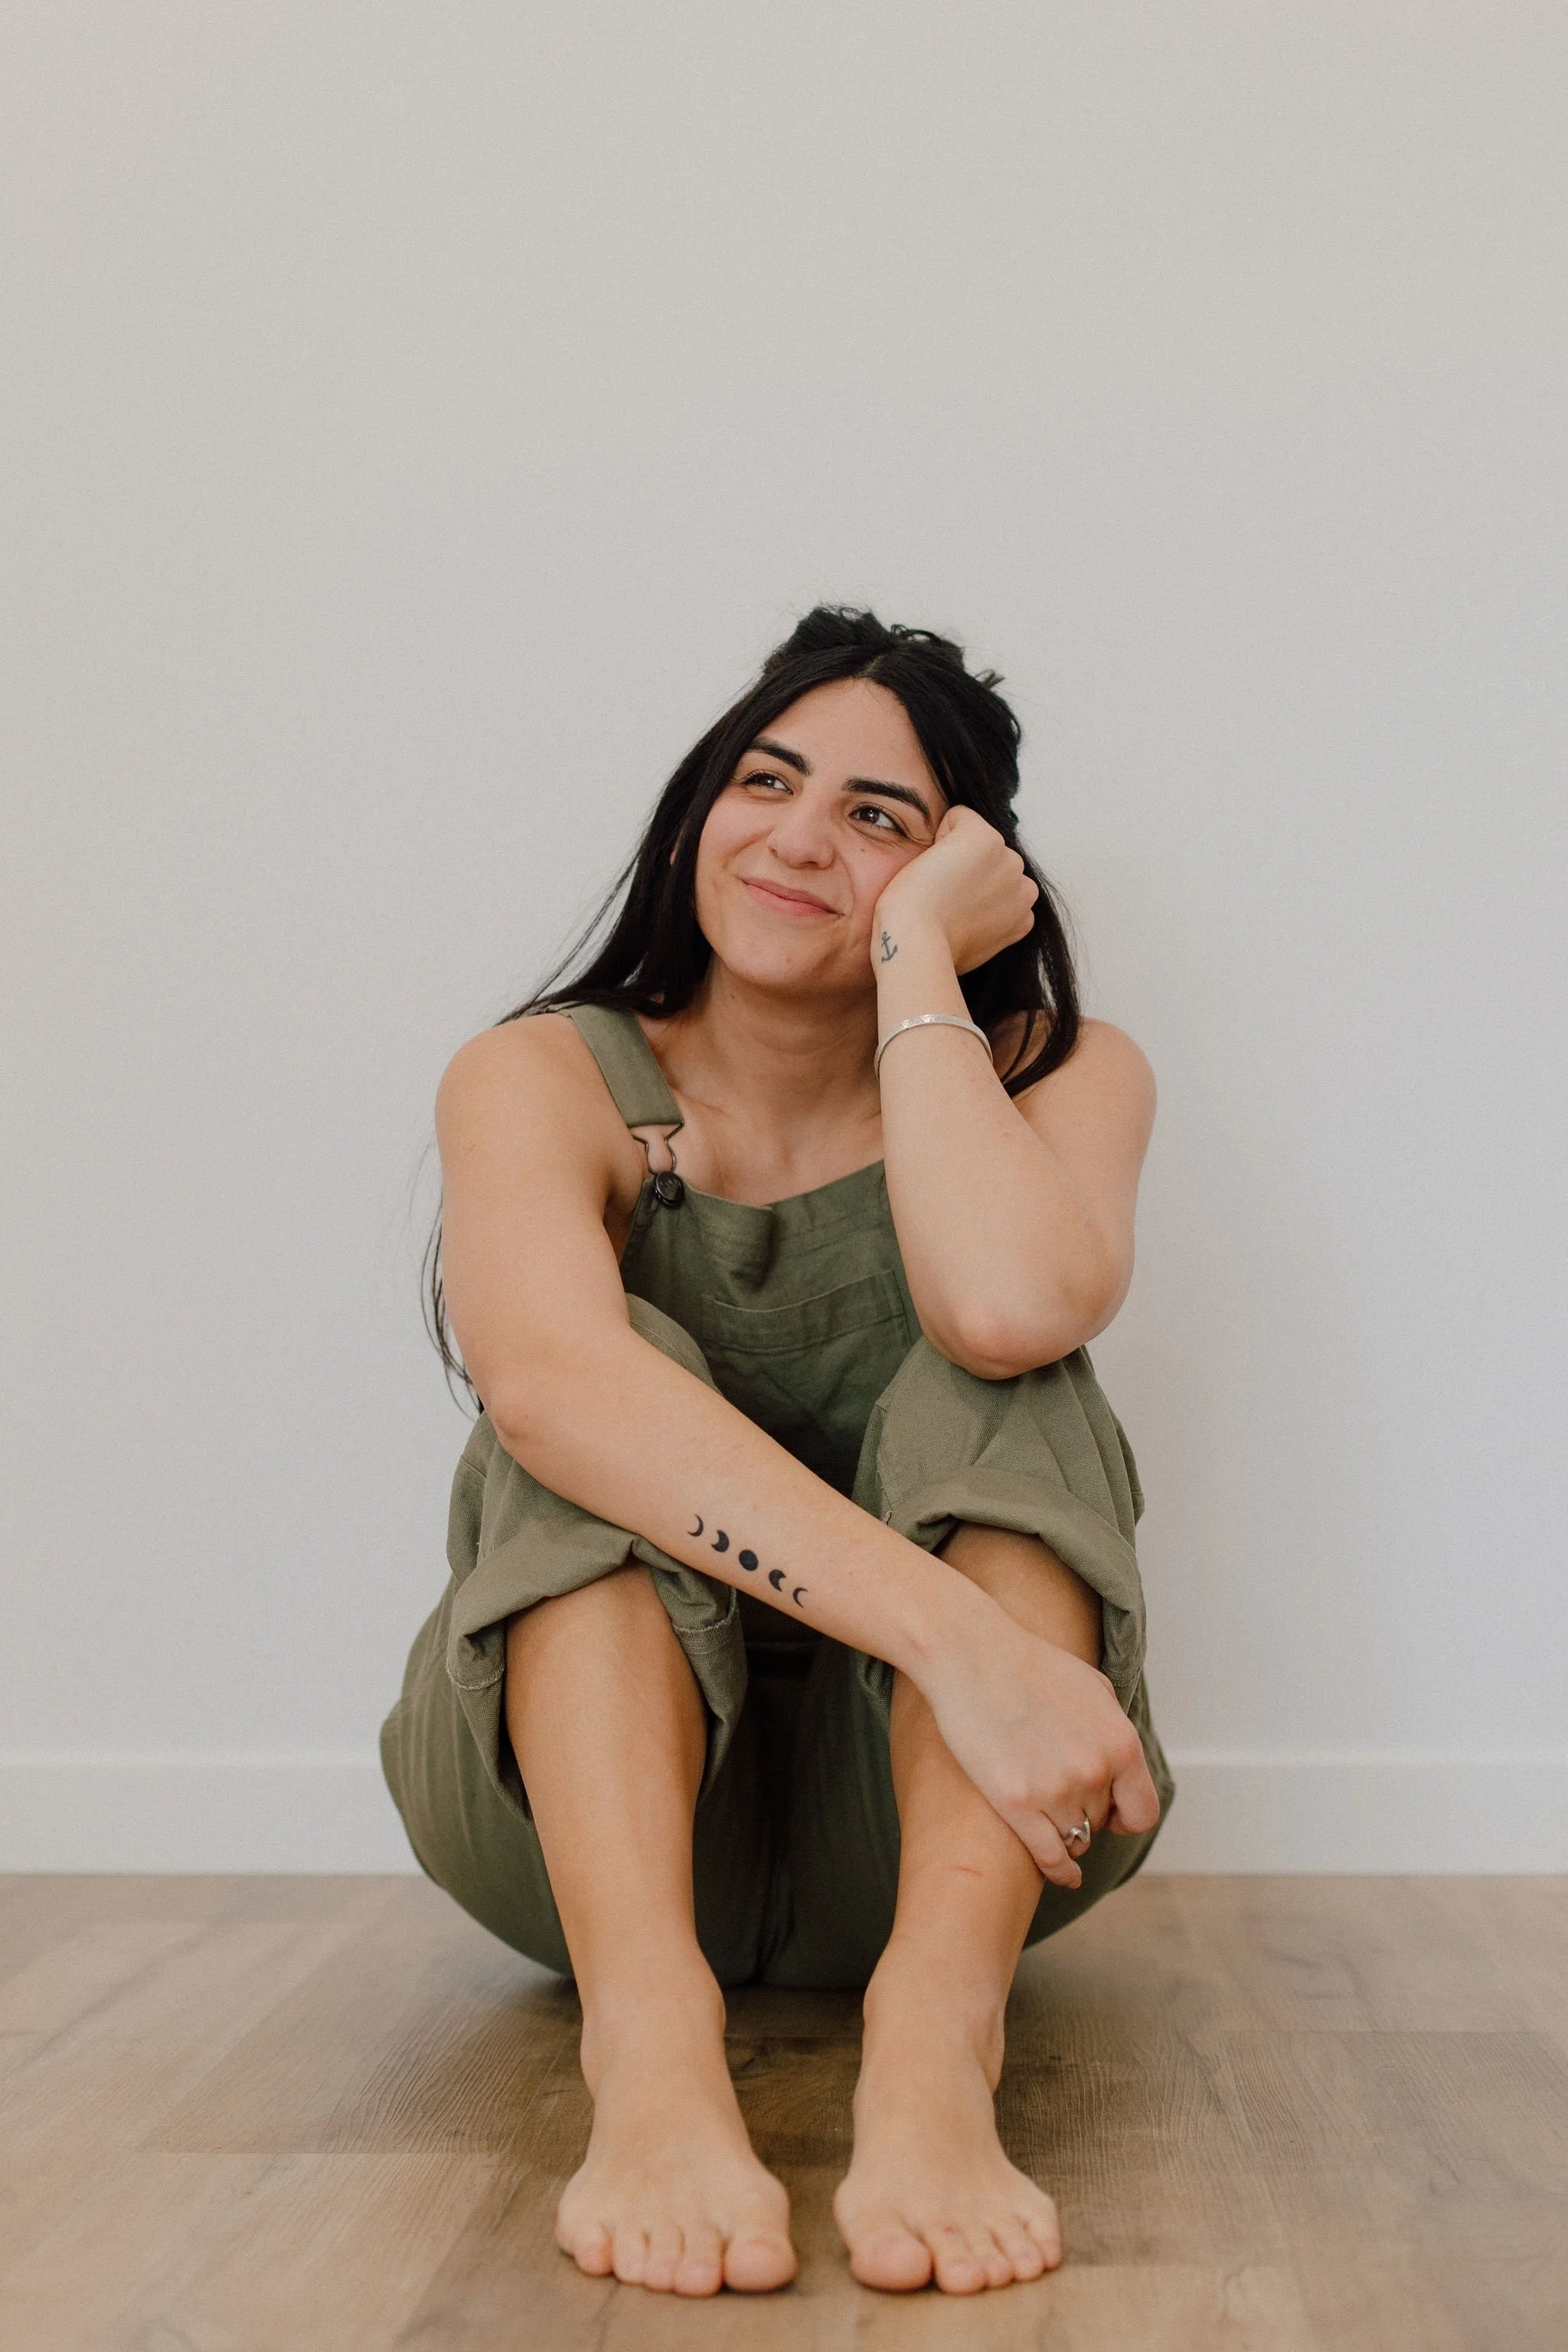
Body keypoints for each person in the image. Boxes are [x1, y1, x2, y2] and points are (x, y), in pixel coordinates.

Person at [382, 606, 1173, 2300]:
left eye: (880, 819)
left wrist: (912, 978)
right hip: (580, 1839)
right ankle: (650, 2054)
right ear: (698, 810)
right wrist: (966, 1646)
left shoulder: (1067, 1075)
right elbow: (540, 1386)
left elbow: (1010, 1303)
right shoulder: (539, 1075)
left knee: (1008, 1379)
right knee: (605, 1399)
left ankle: (932, 2045)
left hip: (966, 1833)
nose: (799, 837)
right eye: (765, 780)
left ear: (968, 876)